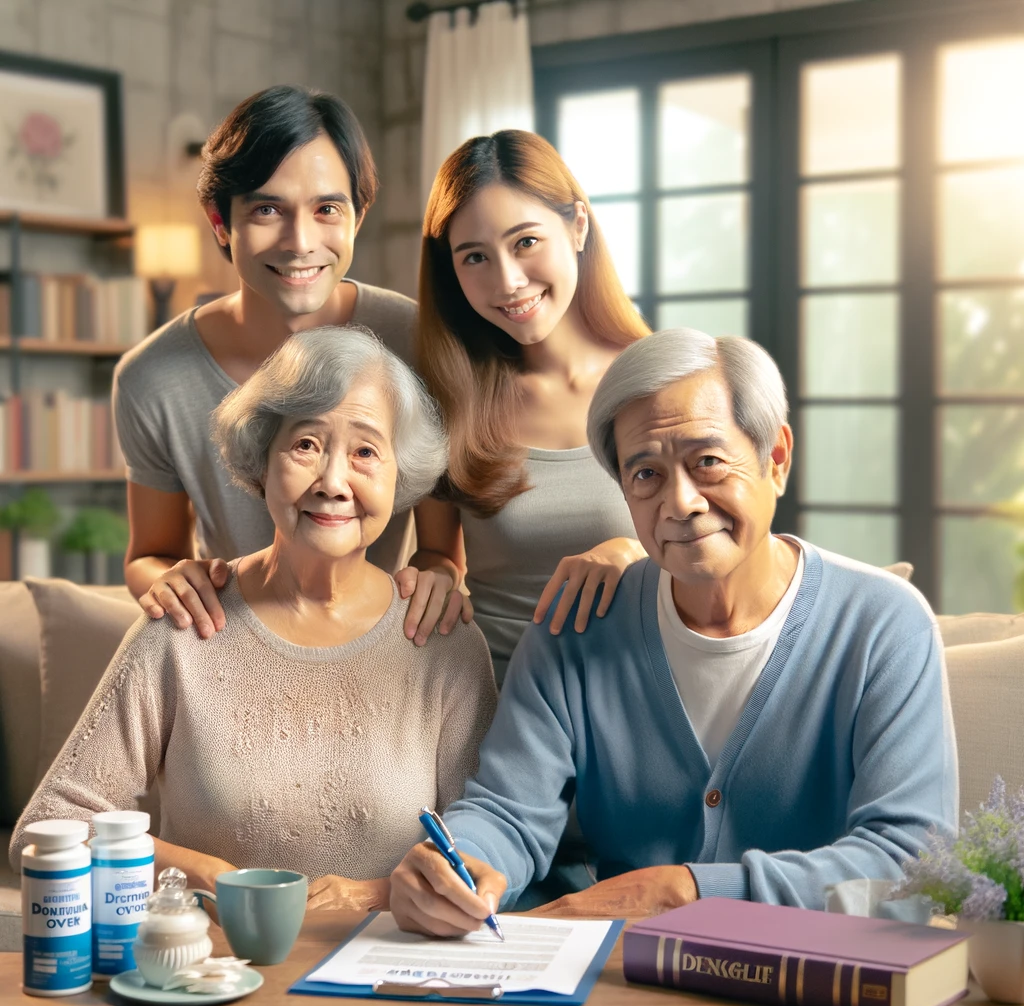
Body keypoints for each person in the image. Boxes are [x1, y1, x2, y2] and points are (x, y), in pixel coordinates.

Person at [388, 328, 958, 934]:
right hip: (617, 980)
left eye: (707, 461)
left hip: (811, 983)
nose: (680, 502)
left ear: (777, 459)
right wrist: (462, 865)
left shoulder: (885, 626)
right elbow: (506, 811)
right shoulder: (576, 629)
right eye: (645, 475)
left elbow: (911, 856)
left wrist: (688, 890)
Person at [12, 327, 497, 911]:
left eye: (366, 451)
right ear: (261, 461)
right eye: (306, 445)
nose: (333, 482)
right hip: (207, 972)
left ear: (401, 479)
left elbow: (482, 851)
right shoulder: (184, 624)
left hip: (384, 970)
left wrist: (371, 896)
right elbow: (48, 826)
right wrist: (207, 876)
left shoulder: (441, 638)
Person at [115, 85, 437, 642]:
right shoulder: (153, 377)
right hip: (231, 644)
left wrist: (439, 579)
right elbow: (151, 553)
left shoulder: (416, 341)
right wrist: (170, 581)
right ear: (221, 222)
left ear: (357, 218)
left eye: (327, 209)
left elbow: (439, 550)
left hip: (383, 645)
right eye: (267, 209)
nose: (300, 242)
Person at [398, 130, 650, 682]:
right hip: (497, 703)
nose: (508, 281)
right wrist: (433, 574)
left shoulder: (659, 382)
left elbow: (727, 550)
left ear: (577, 226)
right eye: (475, 258)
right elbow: (440, 555)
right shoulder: (449, 396)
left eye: (526, 242)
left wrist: (638, 553)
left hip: (641, 694)